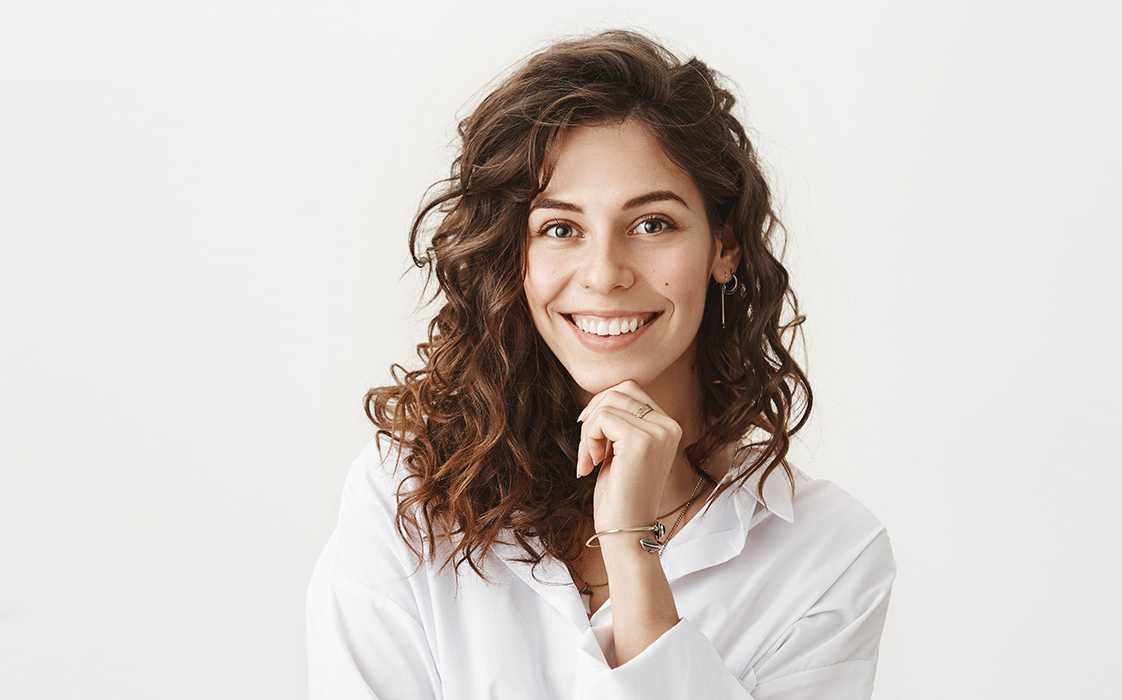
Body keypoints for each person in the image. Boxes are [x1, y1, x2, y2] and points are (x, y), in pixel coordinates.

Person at [307, 29, 895, 699]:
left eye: (652, 225)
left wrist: (633, 550)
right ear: (514, 256)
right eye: (560, 228)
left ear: (724, 245)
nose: (605, 273)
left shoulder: (832, 554)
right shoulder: (404, 495)